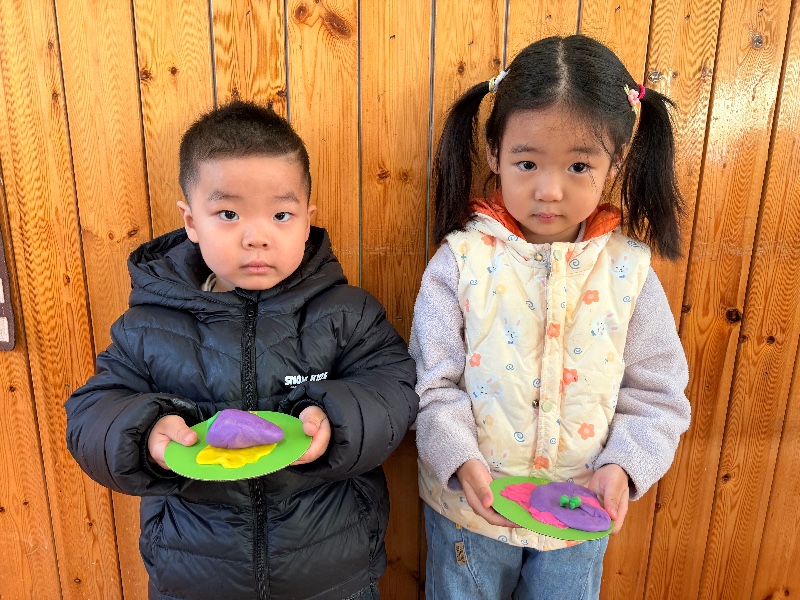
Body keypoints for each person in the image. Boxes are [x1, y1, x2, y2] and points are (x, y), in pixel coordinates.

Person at [65, 100, 418, 600]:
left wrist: (336, 420)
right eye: (228, 214)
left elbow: (394, 387)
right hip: (194, 576)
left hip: (332, 573)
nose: (257, 238)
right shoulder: (148, 325)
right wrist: (144, 434)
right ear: (191, 221)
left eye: (281, 214)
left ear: (307, 220)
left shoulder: (346, 312)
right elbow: (90, 412)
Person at [411, 35, 691, 599]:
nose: (549, 190)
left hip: (579, 516)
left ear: (615, 162)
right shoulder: (460, 262)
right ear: (494, 153)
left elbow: (658, 395)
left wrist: (624, 466)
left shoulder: (630, 273)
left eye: (579, 165)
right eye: (527, 162)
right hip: (470, 512)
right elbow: (431, 383)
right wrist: (459, 459)